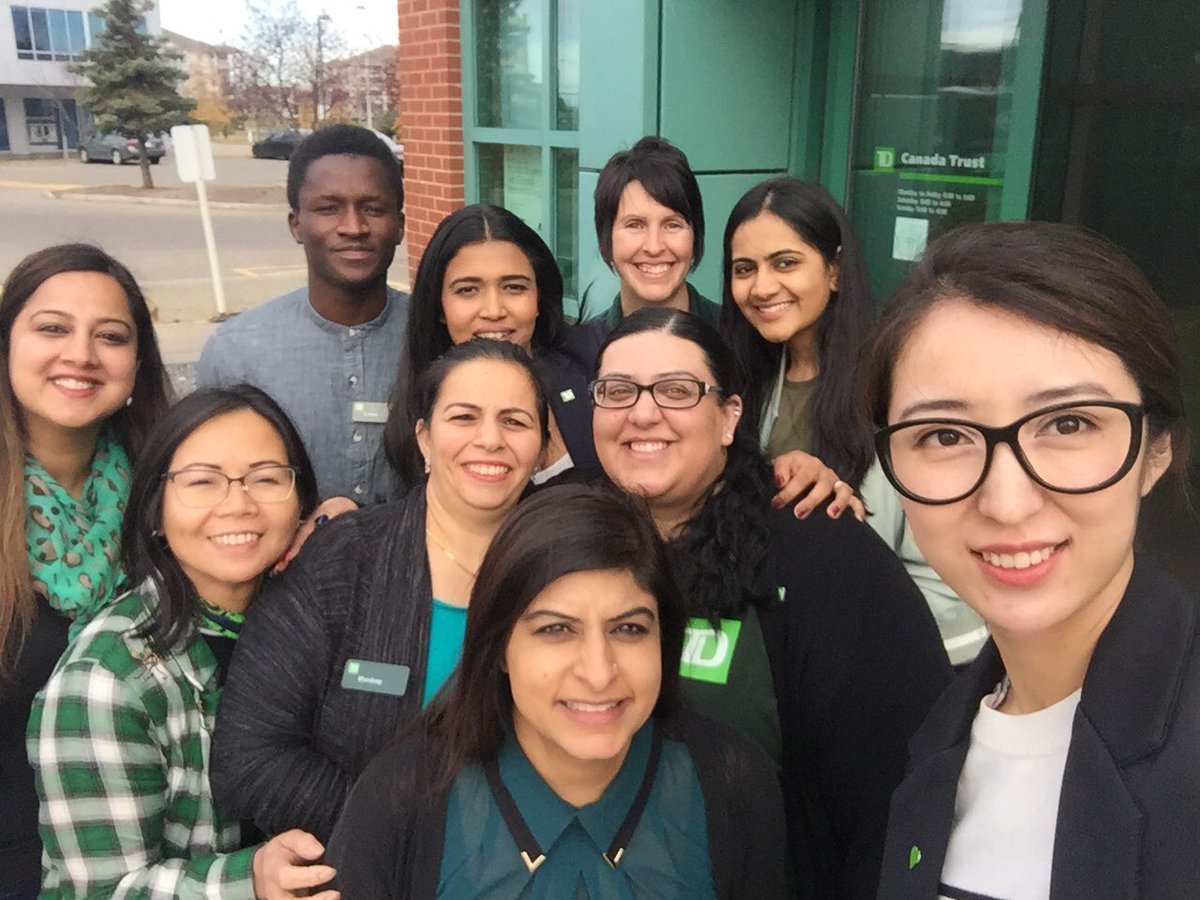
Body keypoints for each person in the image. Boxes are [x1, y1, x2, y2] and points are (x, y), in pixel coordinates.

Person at [869, 223, 1197, 899]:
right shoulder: (938, 742)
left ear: (1157, 447)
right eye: (945, 434)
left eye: (1068, 423)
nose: (1007, 502)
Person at [589, 307, 951, 899]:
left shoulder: (817, 548)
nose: (643, 412)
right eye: (618, 390)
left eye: (678, 391)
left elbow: (896, 793)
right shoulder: (566, 542)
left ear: (730, 416)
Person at [325, 482, 788, 898]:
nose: (598, 673)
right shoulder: (404, 796)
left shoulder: (734, 785)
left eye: (628, 629)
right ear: (499, 647)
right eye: (556, 630)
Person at [211, 339, 549, 842]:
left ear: (542, 448)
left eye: (515, 422)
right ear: (424, 439)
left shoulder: (566, 569)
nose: (490, 439)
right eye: (463, 417)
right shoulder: (342, 561)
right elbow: (251, 753)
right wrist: (400, 837)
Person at [27, 385, 336, 898]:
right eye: (202, 481)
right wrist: (249, 881)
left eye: (265, 478)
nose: (237, 504)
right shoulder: (105, 682)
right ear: (155, 510)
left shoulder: (318, 624)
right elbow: (100, 892)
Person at [722, 176, 986, 664]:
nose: (761, 287)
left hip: (895, 663)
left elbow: (949, 578)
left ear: (835, 269)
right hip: (782, 656)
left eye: (785, 263)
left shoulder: (902, 383)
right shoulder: (743, 378)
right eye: (744, 269)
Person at [0, 243, 171, 899]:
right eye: (52, 328)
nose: (81, 355)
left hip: (149, 858)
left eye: (111, 336)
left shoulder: (171, 501)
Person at [197, 123, 408, 506]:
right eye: (329, 209)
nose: (353, 228)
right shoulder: (236, 353)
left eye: (373, 209)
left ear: (400, 225)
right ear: (296, 225)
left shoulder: (435, 336)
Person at [386, 203, 605, 485]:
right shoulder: (417, 406)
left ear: (539, 296)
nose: (493, 310)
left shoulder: (591, 362)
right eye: (468, 290)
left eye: (514, 287)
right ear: (439, 305)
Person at [589, 136, 721, 329]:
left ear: (695, 235)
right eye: (635, 225)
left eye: (672, 225)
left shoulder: (740, 341)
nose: (654, 247)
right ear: (605, 237)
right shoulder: (579, 352)